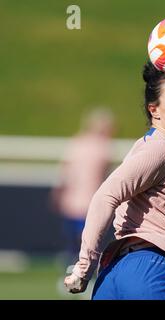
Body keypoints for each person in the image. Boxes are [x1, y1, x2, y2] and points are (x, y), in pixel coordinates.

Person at [63, 61, 165, 300]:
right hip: (152, 271)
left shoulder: (150, 149)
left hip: (115, 275)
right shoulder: (160, 151)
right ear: (154, 110)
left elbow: (158, 228)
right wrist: (84, 266)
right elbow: (105, 196)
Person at [50, 108, 115, 266]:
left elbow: (64, 172)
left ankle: (71, 270)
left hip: (72, 201)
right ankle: (83, 271)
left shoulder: (76, 143)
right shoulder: (103, 148)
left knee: (74, 242)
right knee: (88, 242)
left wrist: (58, 193)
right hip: (91, 202)